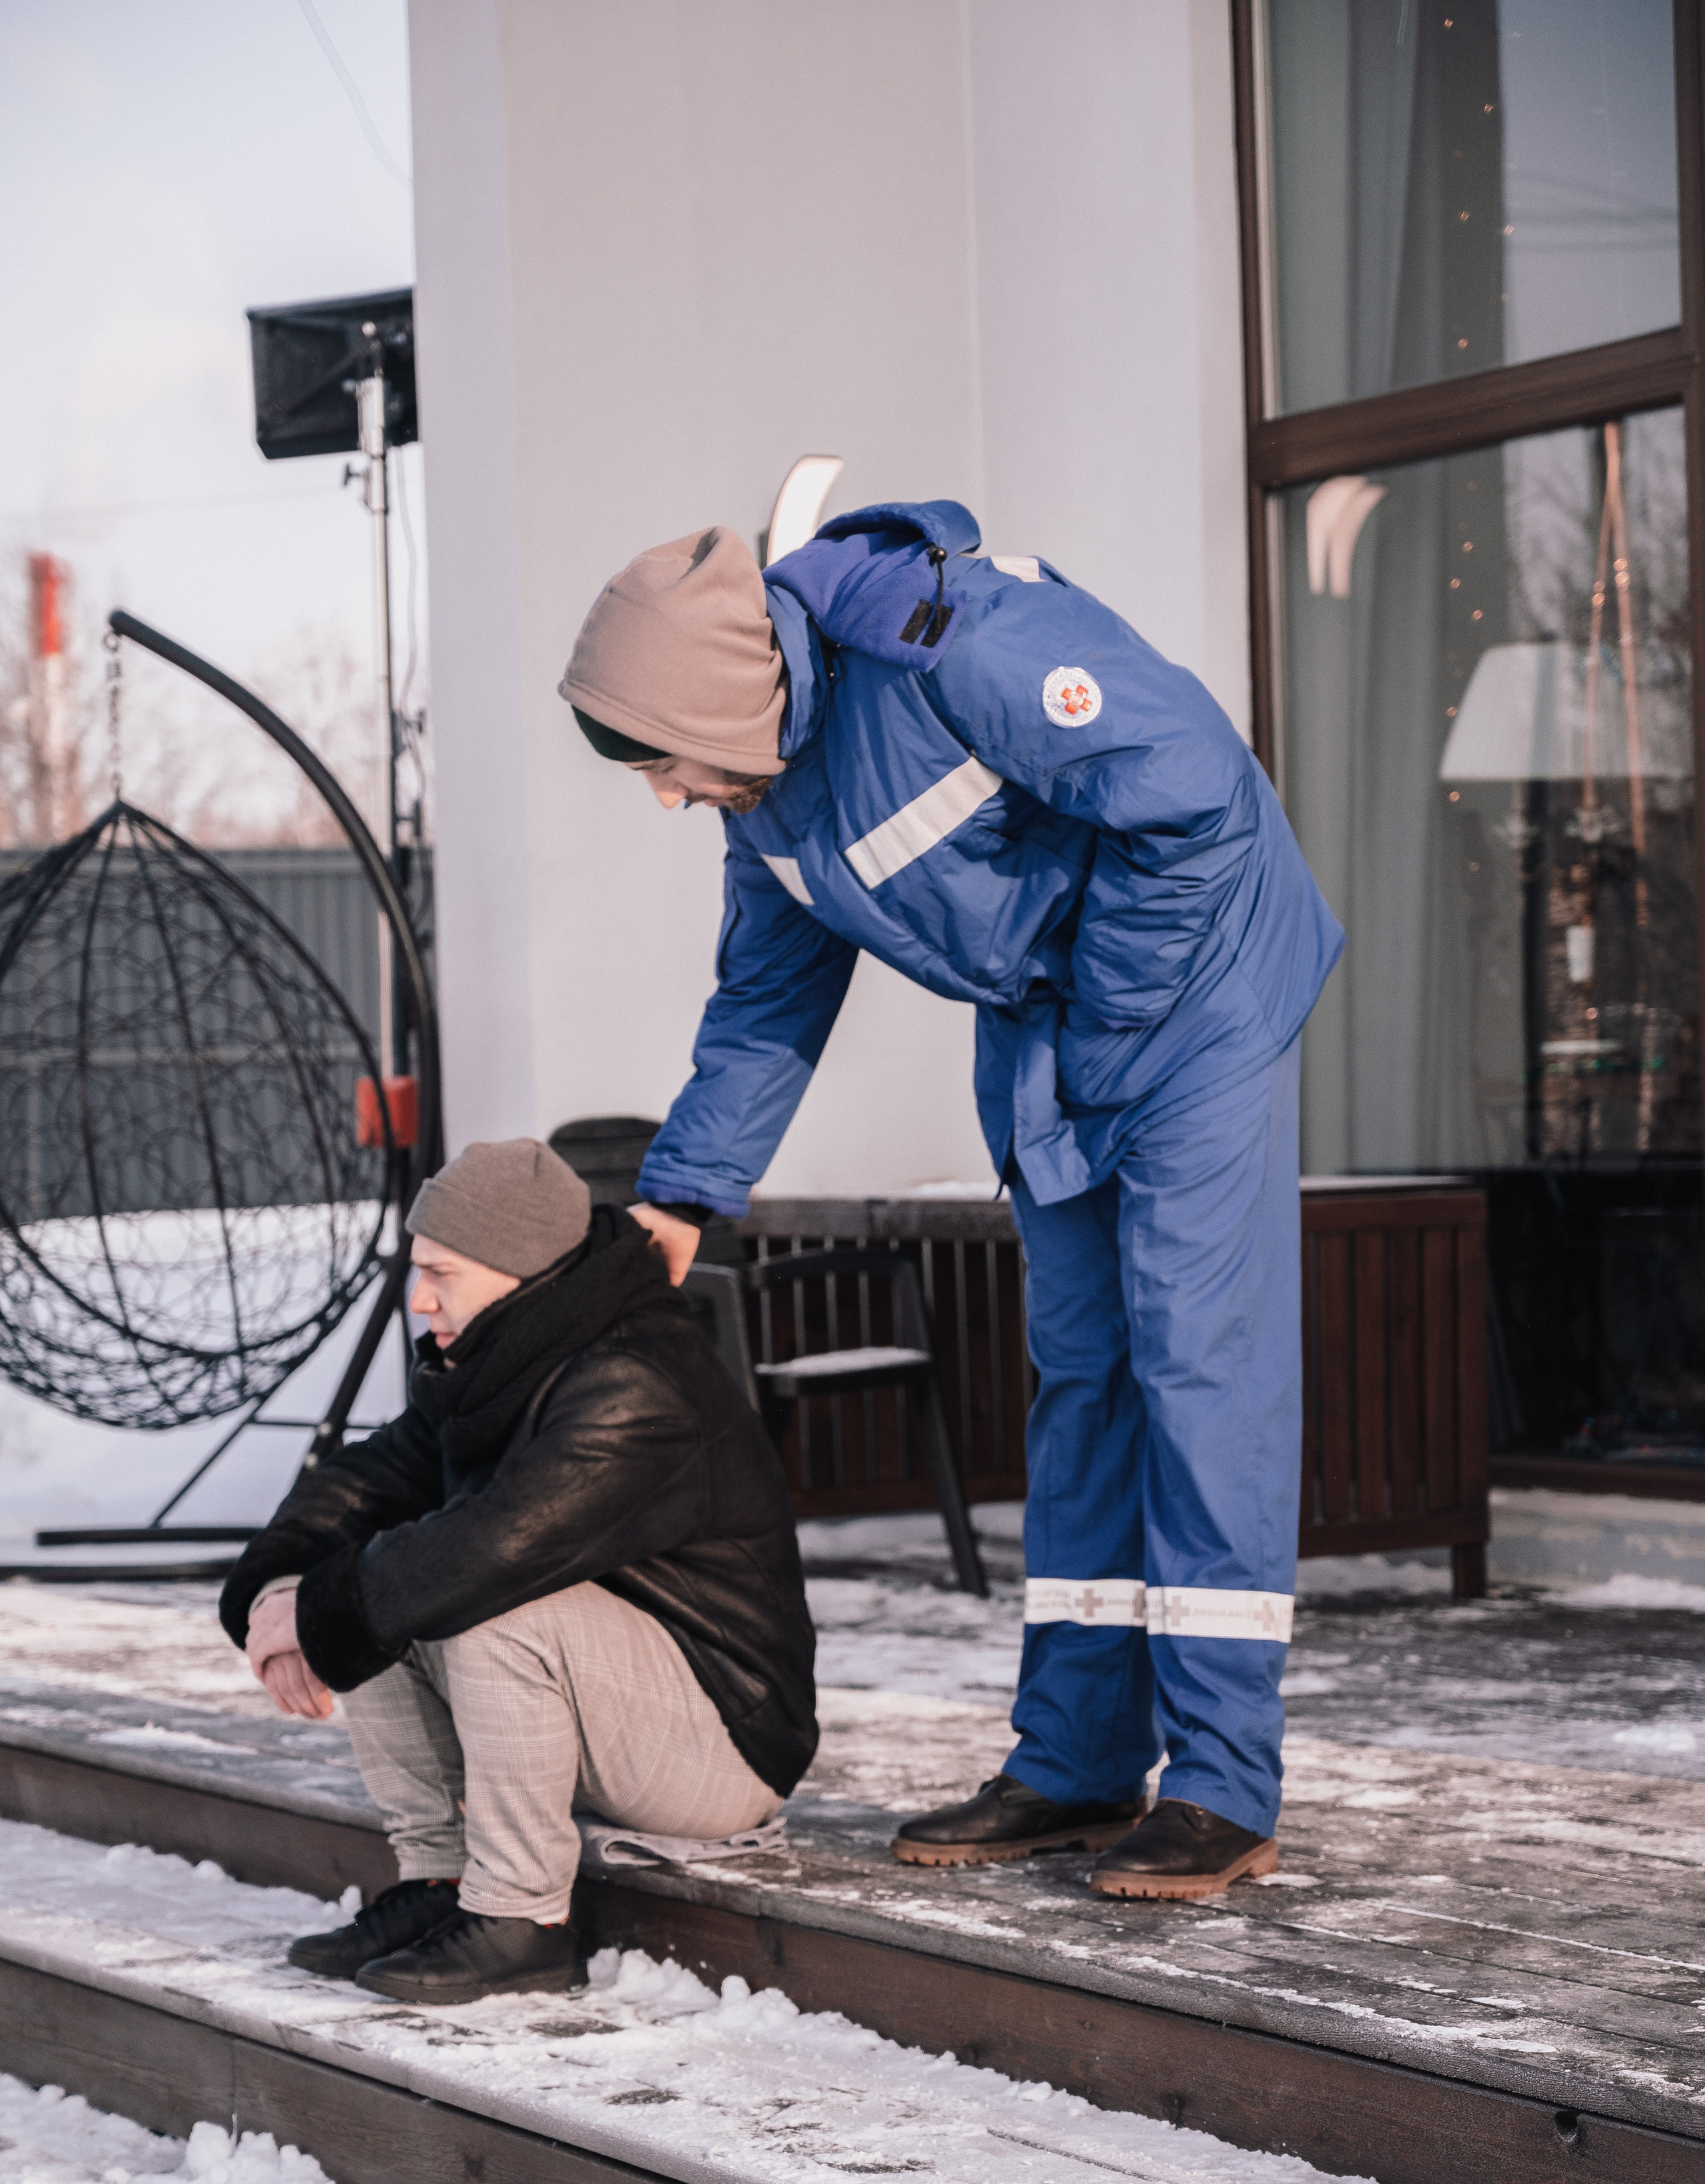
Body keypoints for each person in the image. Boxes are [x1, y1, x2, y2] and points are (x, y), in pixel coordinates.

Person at [561, 509, 1342, 1902]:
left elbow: (1196, 795)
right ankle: (1076, 1757)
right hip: (1059, 1030)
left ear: (722, 707)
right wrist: (678, 1197)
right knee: (1084, 1378)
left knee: (1196, 1369)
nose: (665, 798)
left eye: (660, 762)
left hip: (1198, 998)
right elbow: (763, 1005)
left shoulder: (957, 648)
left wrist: (1107, 1017)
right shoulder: (770, 802)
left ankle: (1221, 1784)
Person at [220, 1137, 815, 2002]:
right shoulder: (510, 1355)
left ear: (519, 1268)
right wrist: (280, 1588)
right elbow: (374, 1478)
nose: (419, 1300)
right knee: (369, 1580)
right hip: (612, 1705)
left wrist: (316, 1614)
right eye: (417, 1270)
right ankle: (440, 1882)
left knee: (473, 1596)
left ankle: (522, 1919)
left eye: (443, 1273)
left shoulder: (634, 1383)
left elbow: (500, 1547)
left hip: (722, 1743)